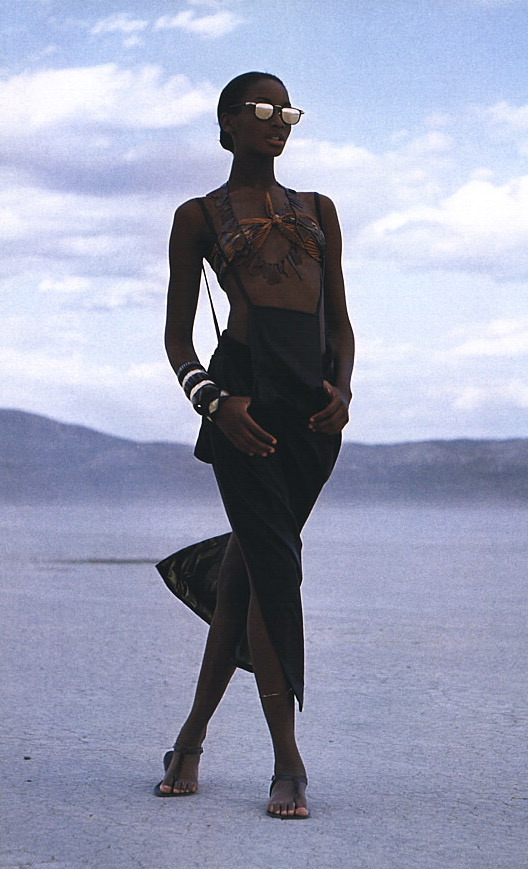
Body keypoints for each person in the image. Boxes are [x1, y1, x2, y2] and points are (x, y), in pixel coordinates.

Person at [155, 71, 354, 819]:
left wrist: (343, 391)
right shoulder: (198, 216)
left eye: (287, 111)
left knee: (250, 573)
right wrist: (215, 404)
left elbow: (340, 321)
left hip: (311, 420)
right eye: (262, 110)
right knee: (275, 574)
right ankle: (287, 762)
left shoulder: (319, 210)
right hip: (244, 411)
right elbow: (177, 339)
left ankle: (189, 741)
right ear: (227, 123)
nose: (278, 122)